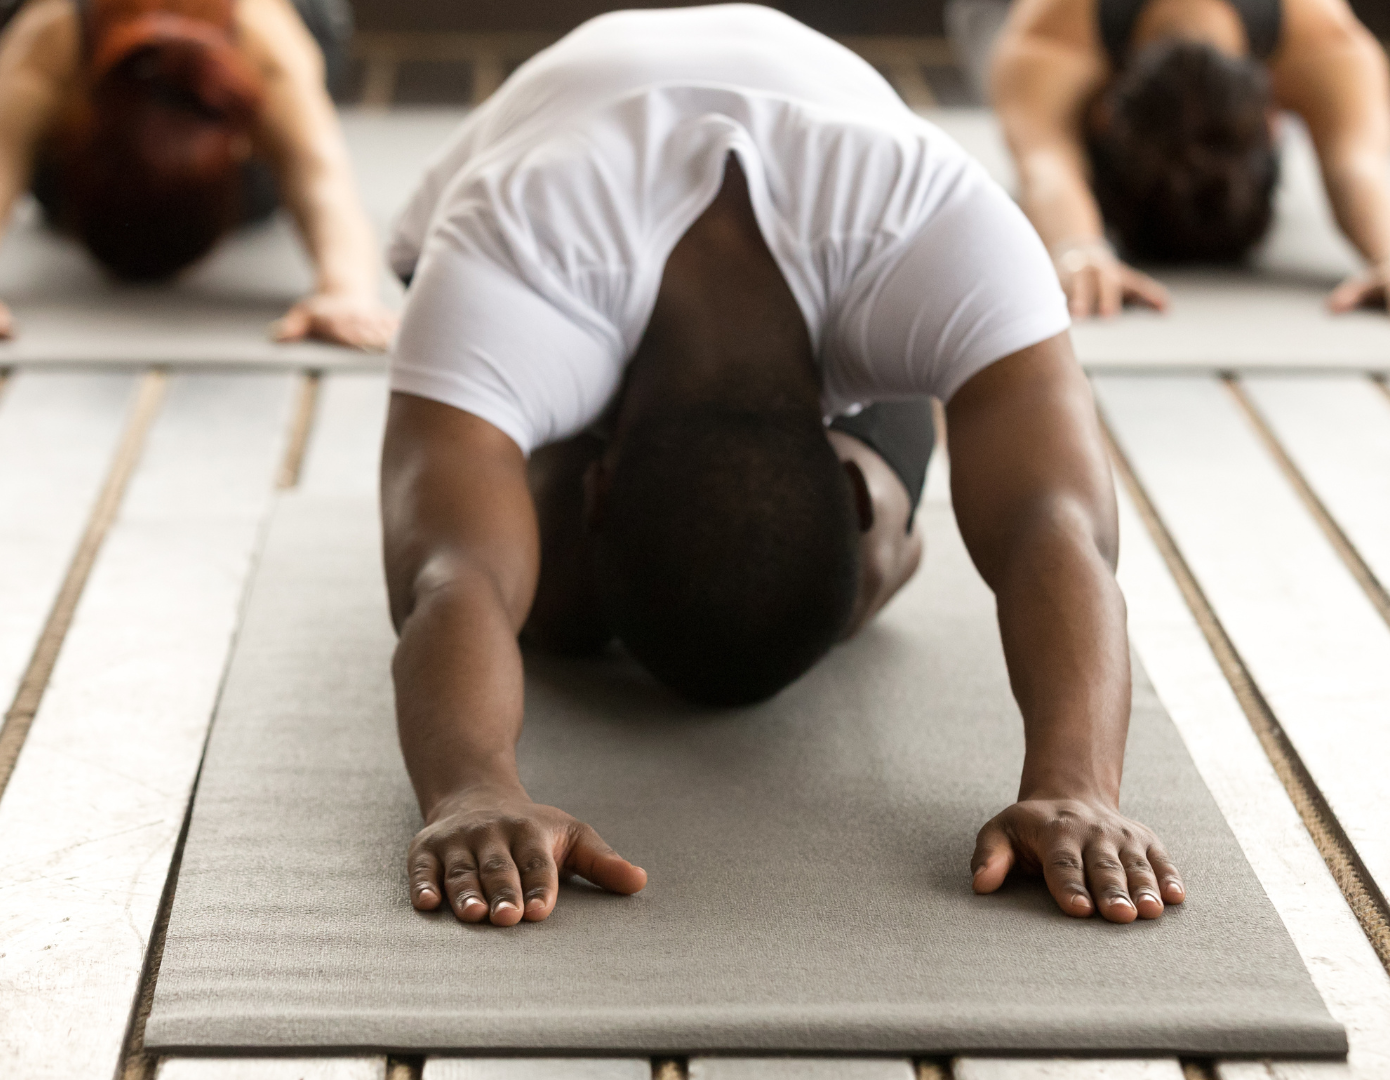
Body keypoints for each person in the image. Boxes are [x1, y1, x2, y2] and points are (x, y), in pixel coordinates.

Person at [380, 4, 1185, 930]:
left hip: (833, 264)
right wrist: (470, 790)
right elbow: (452, 571)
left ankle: (835, 549)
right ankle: (605, 561)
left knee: (812, 571)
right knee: (544, 603)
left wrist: (1078, 786)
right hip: (542, 211)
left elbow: (1058, 522)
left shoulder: (939, 232)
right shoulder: (510, 250)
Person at [0, 0, 394, 352]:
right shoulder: (50, 30)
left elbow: (320, 176)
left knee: (284, 153)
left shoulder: (265, 38)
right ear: (72, 123)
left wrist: (347, 289)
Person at [962, 0, 1390, 323]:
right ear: (1274, 116)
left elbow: (1359, 168)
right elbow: (1046, 162)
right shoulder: (1045, 31)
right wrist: (1078, 248)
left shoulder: (1323, 38)